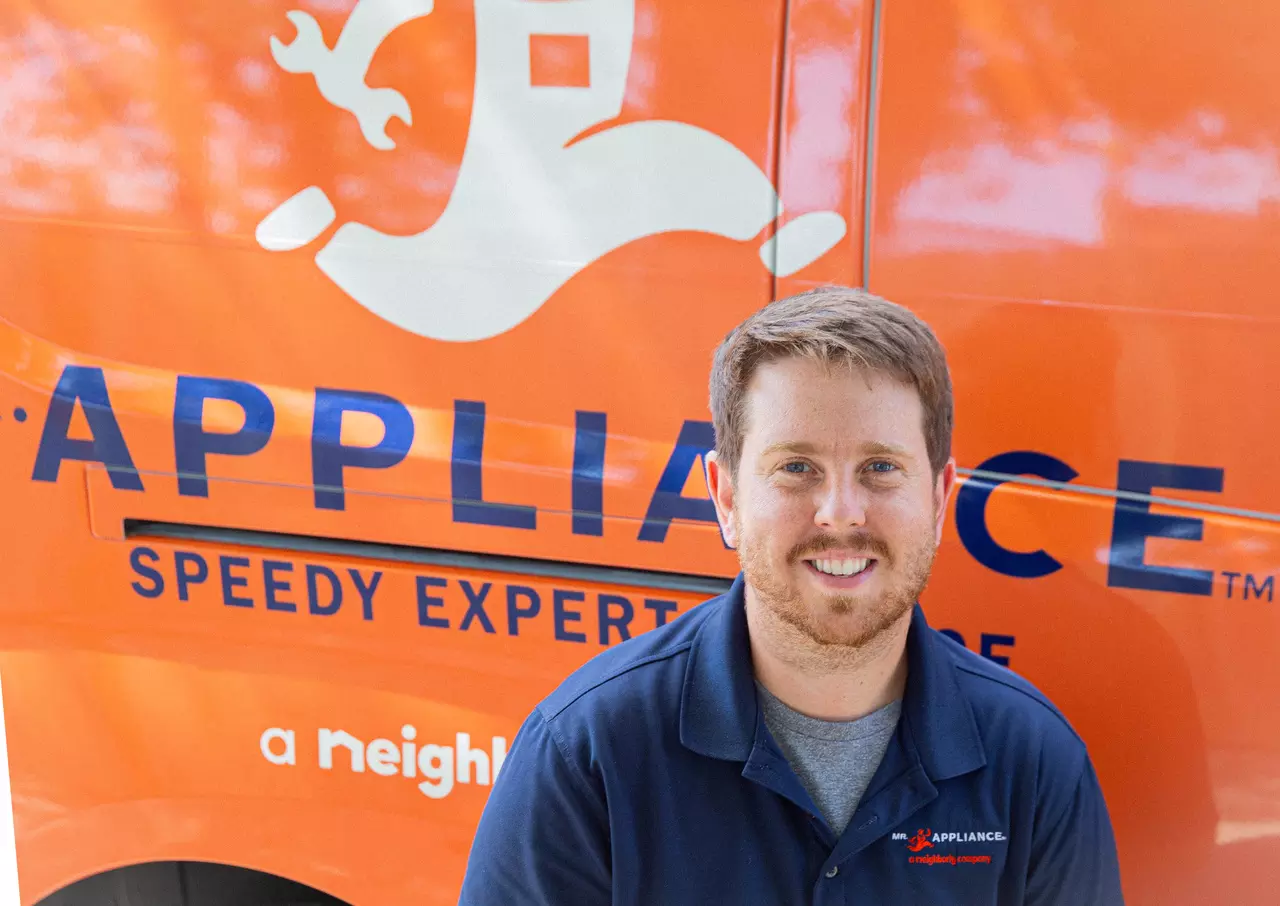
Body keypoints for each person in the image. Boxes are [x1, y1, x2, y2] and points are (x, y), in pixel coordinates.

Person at [456, 286, 1124, 905]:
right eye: (796, 468)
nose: (840, 513)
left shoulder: (1034, 764)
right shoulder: (586, 755)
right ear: (726, 498)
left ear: (940, 497)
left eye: (881, 469)